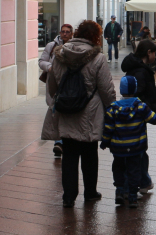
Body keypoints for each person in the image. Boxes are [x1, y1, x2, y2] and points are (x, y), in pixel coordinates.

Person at [42, 20, 116, 208]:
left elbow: (52, 85)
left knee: (69, 155)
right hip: (90, 113)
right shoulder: (98, 58)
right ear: (95, 37)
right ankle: (90, 192)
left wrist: (61, 99)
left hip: (67, 111)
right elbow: (106, 89)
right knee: (90, 153)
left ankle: (69, 196)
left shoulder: (60, 54)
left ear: (77, 33)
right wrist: (112, 109)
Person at [102, 75, 156, 208]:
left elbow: (108, 128)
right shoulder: (141, 107)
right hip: (136, 148)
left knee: (118, 169)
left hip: (118, 148)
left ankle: (119, 191)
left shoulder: (113, 108)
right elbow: (155, 119)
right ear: (135, 89)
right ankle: (133, 197)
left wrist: (105, 142)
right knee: (134, 171)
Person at [121, 39, 156, 192]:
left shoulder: (137, 67)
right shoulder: (141, 71)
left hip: (135, 115)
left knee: (139, 149)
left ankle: (143, 181)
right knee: (138, 149)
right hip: (138, 116)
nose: (155, 57)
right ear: (148, 53)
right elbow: (137, 94)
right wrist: (146, 110)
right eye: (154, 53)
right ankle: (141, 182)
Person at [40, 23, 74, 157]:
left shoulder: (74, 46)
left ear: (71, 33)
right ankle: (59, 142)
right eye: (62, 32)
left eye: (67, 32)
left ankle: (62, 141)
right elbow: (41, 61)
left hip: (69, 85)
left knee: (64, 113)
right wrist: (49, 67)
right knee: (56, 111)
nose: (64, 34)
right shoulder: (51, 46)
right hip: (54, 84)